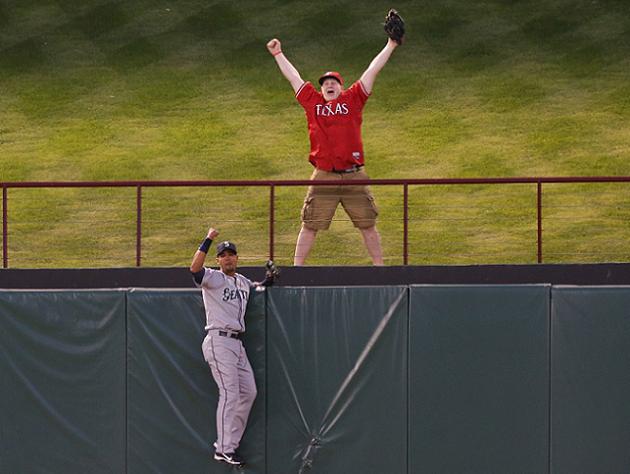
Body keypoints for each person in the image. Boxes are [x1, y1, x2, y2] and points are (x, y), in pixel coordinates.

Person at [266, 34, 401, 266]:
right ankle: (297, 271)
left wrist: (391, 44)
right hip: (324, 176)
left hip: (354, 176)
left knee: (368, 225)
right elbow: (293, 78)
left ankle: (381, 271)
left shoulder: (353, 99)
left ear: (341, 87)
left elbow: (372, 70)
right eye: (325, 83)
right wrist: (278, 54)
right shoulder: (313, 103)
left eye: (334, 82)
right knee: (309, 226)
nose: (329, 84)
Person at [190, 226, 276, 467]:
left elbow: (256, 286)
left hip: (237, 344)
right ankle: (223, 448)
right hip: (218, 340)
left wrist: (269, 281)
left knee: (249, 392)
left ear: (237, 258)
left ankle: (231, 446)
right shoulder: (213, 278)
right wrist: (207, 239)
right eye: (224, 254)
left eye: (231, 254)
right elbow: (194, 270)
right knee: (230, 393)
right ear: (218, 260)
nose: (228, 257)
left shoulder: (242, 281)